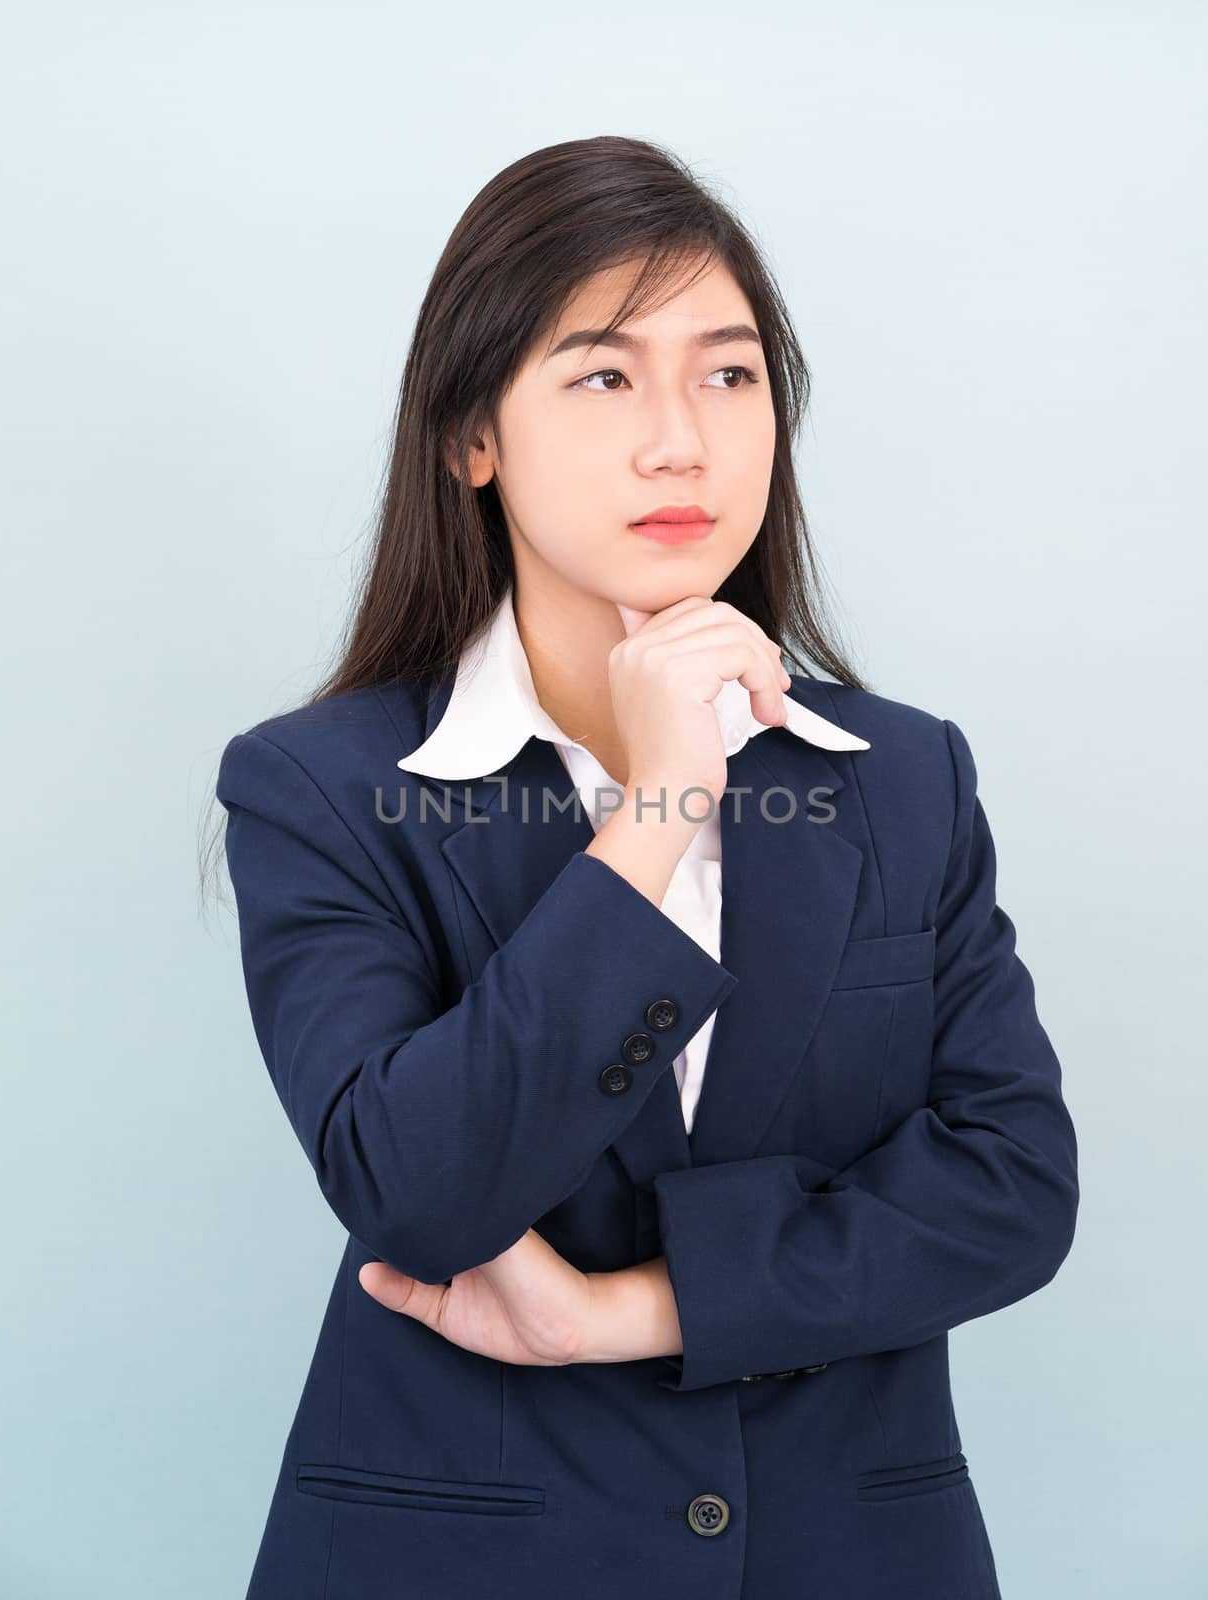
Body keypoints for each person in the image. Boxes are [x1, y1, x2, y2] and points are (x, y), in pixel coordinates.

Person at [212, 134, 1078, 1600]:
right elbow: (415, 1185)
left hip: (849, 1554)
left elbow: (1008, 1188)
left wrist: (620, 1311)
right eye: (604, 375)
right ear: (470, 436)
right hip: (460, 1559)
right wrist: (661, 803)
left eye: (727, 375)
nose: (681, 439)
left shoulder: (905, 775)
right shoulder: (321, 787)